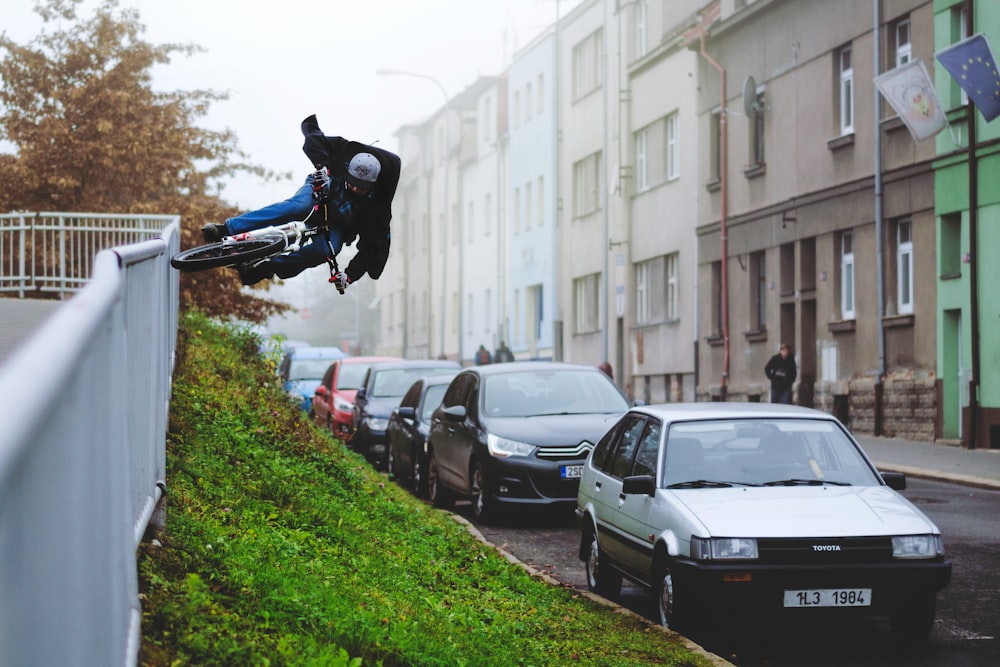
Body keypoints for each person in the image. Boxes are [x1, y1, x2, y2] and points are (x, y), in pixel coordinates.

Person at [201, 114, 401, 287]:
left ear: (373, 185)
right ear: (348, 170)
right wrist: (322, 167)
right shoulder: (344, 152)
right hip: (319, 194)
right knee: (299, 206)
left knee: (328, 249)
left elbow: (372, 246)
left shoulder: (379, 209)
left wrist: (349, 276)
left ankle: (266, 269)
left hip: (338, 223)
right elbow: (314, 139)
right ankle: (226, 229)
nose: (356, 189)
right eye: (353, 183)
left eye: (363, 187)